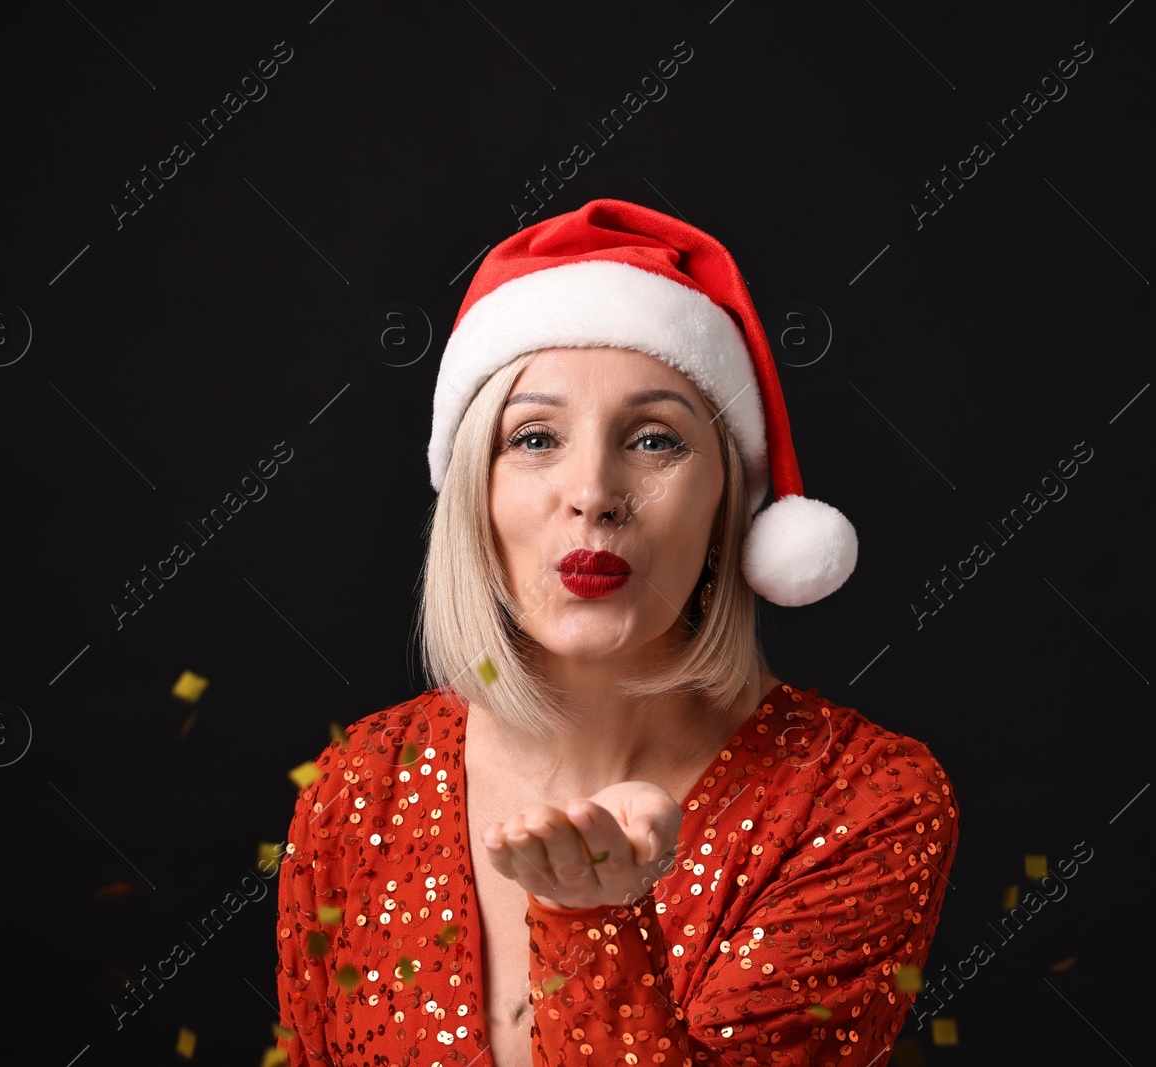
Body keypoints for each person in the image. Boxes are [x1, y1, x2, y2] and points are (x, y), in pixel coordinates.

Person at [274, 199, 960, 1067]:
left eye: (653, 439)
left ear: (727, 502)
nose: (594, 490)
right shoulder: (357, 786)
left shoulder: (863, 799)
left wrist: (593, 928)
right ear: (474, 498)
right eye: (533, 437)